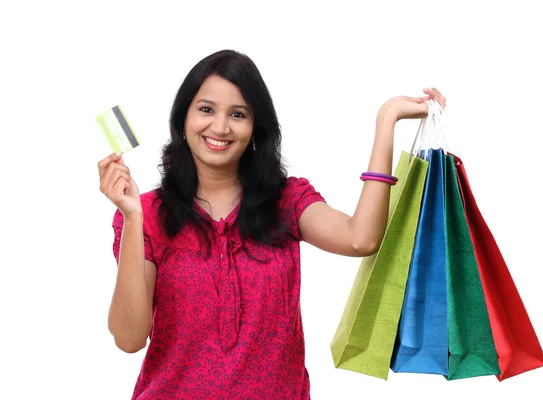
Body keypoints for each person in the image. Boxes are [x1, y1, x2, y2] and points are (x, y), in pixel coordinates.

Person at [97, 49, 446, 400]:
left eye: (238, 114)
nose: (220, 127)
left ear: (255, 127)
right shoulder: (148, 215)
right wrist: (132, 217)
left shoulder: (287, 201)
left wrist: (386, 121)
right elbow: (128, 339)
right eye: (206, 109)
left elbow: (361, 239)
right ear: (183, 117)